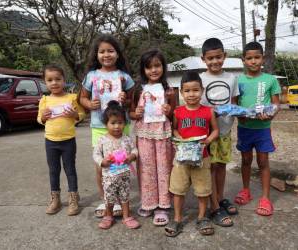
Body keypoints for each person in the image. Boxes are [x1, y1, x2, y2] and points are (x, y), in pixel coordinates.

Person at [79, 34, 135, 218]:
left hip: (120, 124)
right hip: (99, 125)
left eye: (110, 51)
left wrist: (125, 100)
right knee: (102, 164)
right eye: (102, 51)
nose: (106, 55)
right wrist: (89, 104)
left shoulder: (124, 77)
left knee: (121, 162)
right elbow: (82, 98)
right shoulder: (91, 76)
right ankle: (106, 200)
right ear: (96, 55)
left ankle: (121, 201)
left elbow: (131, 102)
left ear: (118, 54)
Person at [165, 71, 219, 237]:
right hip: (181, 160)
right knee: (178, 189)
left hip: (202, 158)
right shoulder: (178, 112)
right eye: (187, 91)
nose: (191, 94)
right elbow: (174, 128)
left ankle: (202, 217)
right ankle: (178, 219)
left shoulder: (208, 111)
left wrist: (208, 141)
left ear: (202, 90)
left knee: (203, 190)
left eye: (195, 90)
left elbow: (215, 130)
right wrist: (178, 136)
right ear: (181, 92)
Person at [129, 49, 176, 226]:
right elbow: (132, 113)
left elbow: (174, 115)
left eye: (157, 66)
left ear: (163, 67)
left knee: (163, 169)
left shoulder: (169, 91)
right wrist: (136, 113)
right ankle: (148, 203)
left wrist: (169, 111)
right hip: (144, 135)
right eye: (149, 67)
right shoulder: (138, 90)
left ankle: (162, 206)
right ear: (143, 70)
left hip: (163, 135)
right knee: (146, 169)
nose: (153, 70)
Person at [234, 41, 281, 216]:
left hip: (262, 129)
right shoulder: (238, 81)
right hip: (244, 128)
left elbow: (277, 104)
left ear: (263, 58)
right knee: (245, 161)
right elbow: (235, 105)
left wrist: (270, 114)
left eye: (257, 57)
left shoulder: (270, 80)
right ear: (243, 60)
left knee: (263, 162)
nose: (253, 61)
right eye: (249, 58)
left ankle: (266, 198)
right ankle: (246, 190)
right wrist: (240, 115)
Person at [200, 38, 239, 227]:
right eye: (210, 58)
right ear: (203, 59)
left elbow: (234, 103)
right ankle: (214, 206)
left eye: (218, 57)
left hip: (225, 131)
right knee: (211, 167)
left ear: (225, 56)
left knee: (222, 166)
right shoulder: (200, 79)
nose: (215, 61)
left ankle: (221, 198)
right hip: (208, 133)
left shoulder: (231, 78)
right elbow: (195, 104)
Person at [37, 64, 85, 216]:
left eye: (58, 79)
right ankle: (55, 199)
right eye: (50, 80)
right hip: (50, 141)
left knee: (70, 169)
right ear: (45, 82)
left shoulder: (71, 98)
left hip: (68, 141)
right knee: (53, 170)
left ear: (64, 80)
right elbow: (39, 118)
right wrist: (43, 117)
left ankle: (73, 197)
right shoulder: (44, 100)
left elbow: (82, 114)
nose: (54, 83)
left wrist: (75, 115)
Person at [93, 101, 140, 229]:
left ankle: (126, 216)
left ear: (124, 123)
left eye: (120, 122)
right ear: (106, 124)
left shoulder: (126, 139)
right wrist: (102, 162)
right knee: (109, 198)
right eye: (113, 123)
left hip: (124, 176)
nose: (116, 126)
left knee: (125, 197)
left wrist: (131, 157)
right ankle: (108, 216)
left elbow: (135, 150)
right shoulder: (102, 140)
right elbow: (96, 154)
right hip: (108, 177)